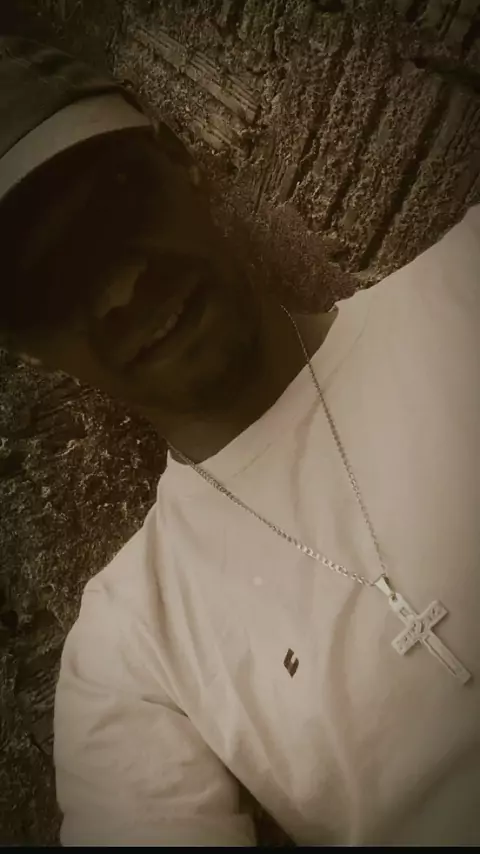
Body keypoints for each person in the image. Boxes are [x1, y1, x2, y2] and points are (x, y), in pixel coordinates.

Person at [1, 35, 480, 848]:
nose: (120, 289)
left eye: (115, 209)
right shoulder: (129, 653)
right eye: (46, 285)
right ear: (25, 349)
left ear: (180, 157)